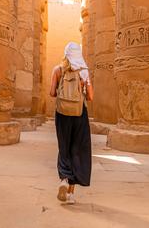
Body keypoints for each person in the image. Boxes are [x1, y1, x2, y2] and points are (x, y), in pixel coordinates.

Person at [49, 42, 94, 205]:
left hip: (62, 114)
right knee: (77, 150)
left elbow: (52, 93)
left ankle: (63, 179)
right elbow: (90, 96)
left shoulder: (58, 70)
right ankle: (71, 194)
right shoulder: (84, 72)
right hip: (79, 114)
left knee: (64, 147)